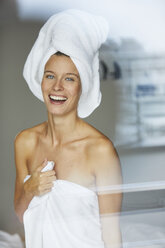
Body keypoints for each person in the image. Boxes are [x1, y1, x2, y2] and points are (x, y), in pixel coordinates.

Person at [14, 9, 123, 248]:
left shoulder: (100, 151)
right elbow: (22, 214)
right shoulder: (25, 142)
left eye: (70, 78)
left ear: (83, 84)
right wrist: (30, 188)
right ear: (40, 80)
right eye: (50, 76)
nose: (57, 87)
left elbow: (111, 234)